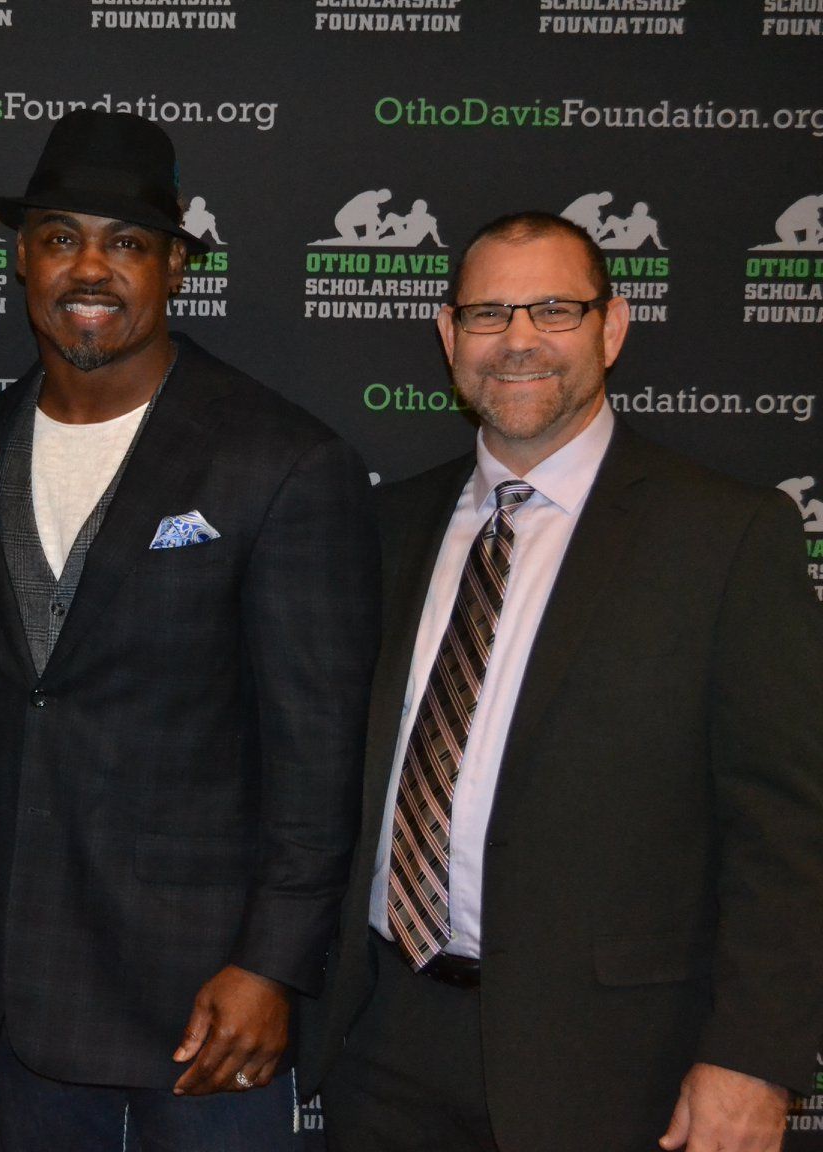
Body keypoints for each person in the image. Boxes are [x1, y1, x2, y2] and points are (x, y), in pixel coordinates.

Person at [311, 212, 823, 1152]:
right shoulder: (386, 528)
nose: (517, 341)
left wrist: (756, 1057)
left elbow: (788, 829)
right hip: (387, 1040)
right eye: (488, 314)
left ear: (612, 329)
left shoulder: (726, 538)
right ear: (446, 335)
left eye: (553, 309)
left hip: (617, 1062)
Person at [0, 109, 379, 1150]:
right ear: (21, 257)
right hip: (26, 988)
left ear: (175, 265)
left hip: (209, 1007)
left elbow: (320, 752)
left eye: (126, 242)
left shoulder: (280, 462)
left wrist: (273, 964)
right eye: (60, 237)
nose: (90, 267)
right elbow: (3, 679)